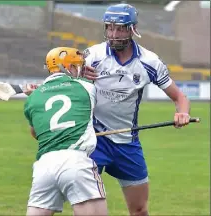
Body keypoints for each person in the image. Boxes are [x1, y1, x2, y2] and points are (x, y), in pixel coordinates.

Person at [82, 3, 191, 216]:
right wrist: (78, 76)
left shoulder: (149, 62)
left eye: (120, 28)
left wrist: (182, 112)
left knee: (140, 210)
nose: (113, 34)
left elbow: (179, 97)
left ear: (132, 29)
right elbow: (66, 83)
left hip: (127, 144)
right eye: (109, 28)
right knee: (87, 208)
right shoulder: (92, 56)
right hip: (94, 139)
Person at [24, 47, 108, 216]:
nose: (80, 70)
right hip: (76, 161)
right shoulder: (87, 87)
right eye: (77, 66)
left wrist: (37, 93)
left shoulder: (32, 98)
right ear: (67, 67)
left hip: (44, 167)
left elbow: (35, 134)